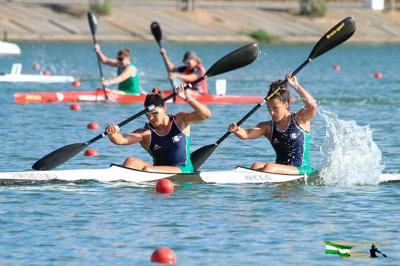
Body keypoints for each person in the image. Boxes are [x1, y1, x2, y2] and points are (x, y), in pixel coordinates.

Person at [105, 84, 211, 173]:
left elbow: (205, 115)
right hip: (155, 171)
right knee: (130, 161)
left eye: (154, 113)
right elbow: (121, 140)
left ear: (164, 108)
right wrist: (112, 132)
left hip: (182, 170)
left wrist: (187, 98)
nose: (151, 118)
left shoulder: (180, 120)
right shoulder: (146, 133)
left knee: (148, 169)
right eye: (147, 114)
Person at [228, 74, 317, 175]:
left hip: (302, 169)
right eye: (269, 108)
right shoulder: (267, 127)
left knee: (269, 167)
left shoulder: (300, 119)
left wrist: (296, 86)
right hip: (277, 170)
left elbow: (312, 105)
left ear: (286, 105)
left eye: (275, 108)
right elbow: (247, 134)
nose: (271, 112)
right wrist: (236, 130)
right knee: (255, 165)